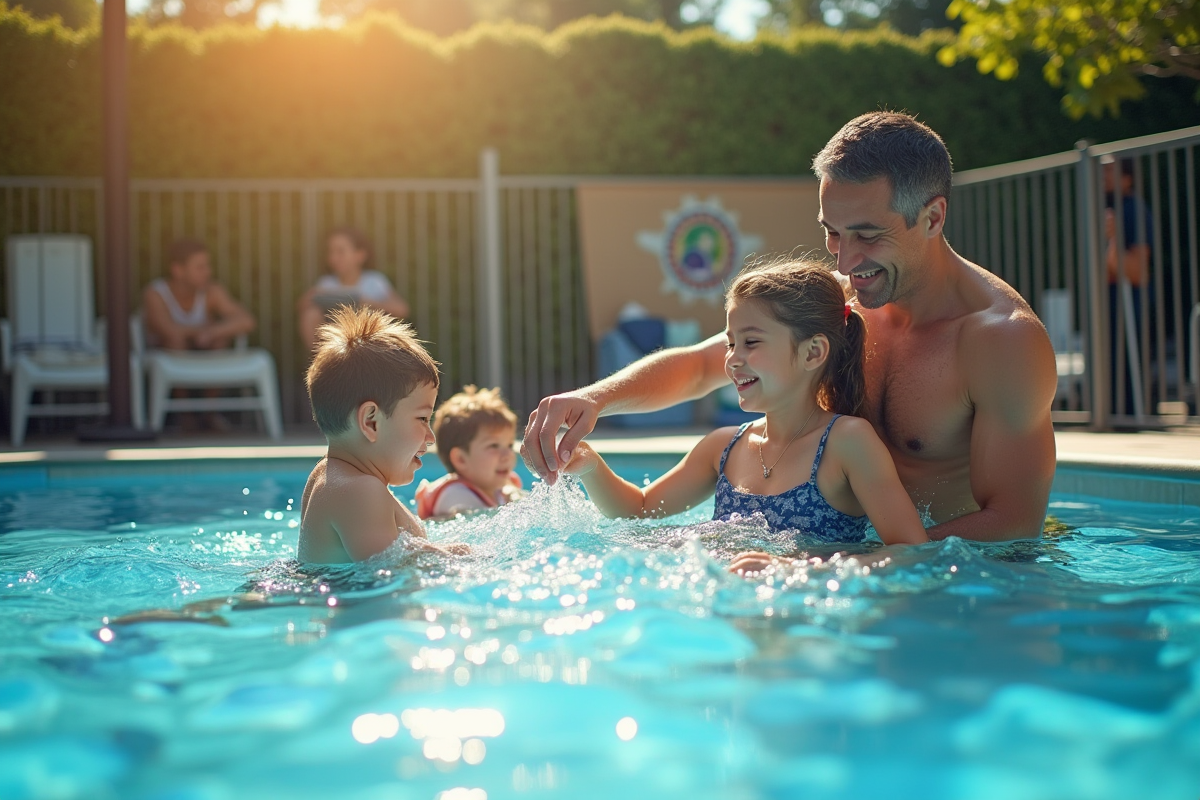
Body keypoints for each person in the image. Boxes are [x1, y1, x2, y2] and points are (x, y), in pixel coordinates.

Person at [523, 112, 1058, 543]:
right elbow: (702, 366)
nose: (845, 262)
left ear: (933, 217)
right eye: (832, 233)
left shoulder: (999, 341)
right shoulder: (841, 299)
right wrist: (592, 399)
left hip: (947, 586)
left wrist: (838, 566)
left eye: (867, 236)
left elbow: (1014, 523)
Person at [561, 261, 929, 553]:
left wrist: (799, 569)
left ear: (812, 352)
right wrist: (590, 466)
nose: (733, 360)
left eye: (751, 342)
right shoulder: (724, 447)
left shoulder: (847, 443)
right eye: (730, 343)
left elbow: (911, 550)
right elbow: (639, 510)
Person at [298, 306, 468, 564]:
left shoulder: (329, 475)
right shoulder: (360, 490)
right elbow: (391, 574)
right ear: (371, 422)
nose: (431, 436)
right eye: (422, 418)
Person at [416, 385, 523, 521]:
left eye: (509, 445)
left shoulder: (502, 485)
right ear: (461, 459)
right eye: (494, 446)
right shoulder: (455, 494)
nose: (508, 455)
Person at [297, 226, 411, 353]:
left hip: (371, 341)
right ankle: (321, 361)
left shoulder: (374, 281)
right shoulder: (326, 284)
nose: (333, 258)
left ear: (360, 255)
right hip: (336, 344)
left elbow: (402, 310)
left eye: (340, 252)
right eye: (331, 252)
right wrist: (317, 295)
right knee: (310, 313)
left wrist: (366, 303)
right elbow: (302, 306)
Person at [1103, 156, 1154, 417]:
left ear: (1127, 177)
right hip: (1110, 303)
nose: (1102, 175)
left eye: (1110, 170)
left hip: (1129, 302)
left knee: (1128, 369)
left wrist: (1113, 242)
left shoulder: (1133, 209)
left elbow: (1136, 271)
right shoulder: (1107, 209)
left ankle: (1133, 416)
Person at [142, 238, 256, 351]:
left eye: (208, 266)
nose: (208, 272)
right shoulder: (156, 294)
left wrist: (213, 332)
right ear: (178, 270)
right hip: (167, 360)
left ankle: (214, 368)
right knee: (174, 340)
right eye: (200, 267)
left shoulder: (212, 292)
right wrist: (204, 331)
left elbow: (246, 320)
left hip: (205, 354)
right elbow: (170, 331)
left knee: (219, 338)